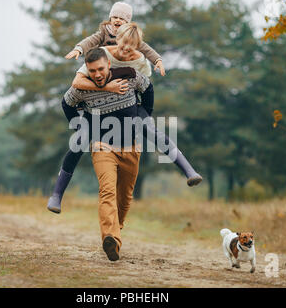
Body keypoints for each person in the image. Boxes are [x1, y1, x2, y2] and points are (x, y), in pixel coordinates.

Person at [47, 22, 202, 214]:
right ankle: (57, 195)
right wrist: (81, 119)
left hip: (129, 107)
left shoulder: (139, 63)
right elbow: (77, 83)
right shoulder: (102, 54)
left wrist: (144, 111)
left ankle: (189, 171)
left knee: (152, 131)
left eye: (131, 47)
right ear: (116, 40)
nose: (125, 50)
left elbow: (145, 87)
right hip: (96, 110)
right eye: (122, 45)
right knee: (78, 142)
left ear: (137, 47)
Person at [61, 48, 153, 261]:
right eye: (92, 71)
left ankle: (115, 232)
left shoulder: (129, 76)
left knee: (125, 197)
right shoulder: (82, 88)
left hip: (131, 147)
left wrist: (145, 115)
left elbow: (148, 88)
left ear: (109, 65)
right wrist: (81, 127)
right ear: (87, 70)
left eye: (101, 69)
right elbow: (66, 103)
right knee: (107, 192)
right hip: (102, 147)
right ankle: (110, 237)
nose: (98, 74)